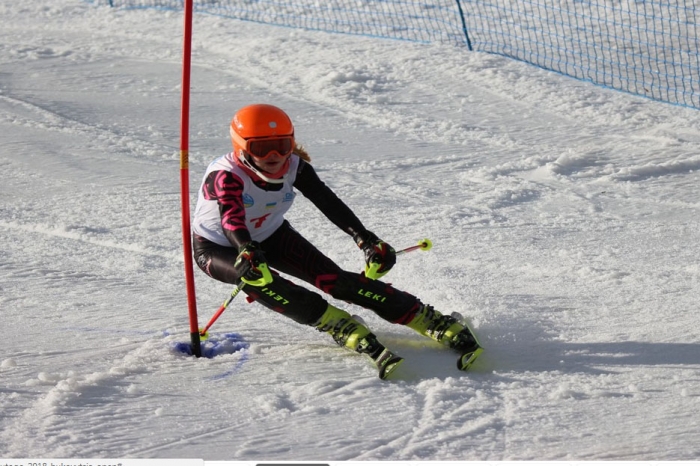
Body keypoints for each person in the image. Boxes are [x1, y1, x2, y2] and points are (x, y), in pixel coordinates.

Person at [192, 103, 482, 379]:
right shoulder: (227, 176)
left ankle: (429, 319)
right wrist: (245, 248)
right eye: (260, 148)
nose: (274, 155)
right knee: (263, 282)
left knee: (335, 281)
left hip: (270, 235)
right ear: (241, 147)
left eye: (282, 145)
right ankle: (338, 325)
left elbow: (326, 201)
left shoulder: (295, 166)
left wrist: (365, 239)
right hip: (217, 246)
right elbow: (231, 216)